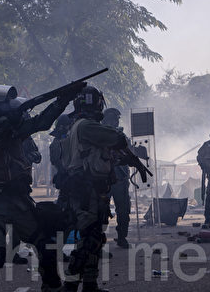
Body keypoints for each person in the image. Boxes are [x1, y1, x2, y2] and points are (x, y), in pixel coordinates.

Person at [0, 83, 82, 292]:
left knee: (45, 246)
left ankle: (52, 287)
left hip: (19, 199)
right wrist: (4, 128)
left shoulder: (13, 130)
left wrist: (62, 100)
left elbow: (43, 122)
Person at [63, 87, 150, 292]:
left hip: (94, 188)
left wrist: (129, 159)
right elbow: (116, 139)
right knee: (88, 240)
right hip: (87, 190)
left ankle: (90, 285)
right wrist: (126, 150)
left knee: (95, 239)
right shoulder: (86, 126)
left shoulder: (80, 127)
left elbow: (104, 153)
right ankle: (70, 284)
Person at [101, 108, 131, 249]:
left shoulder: (122, 136)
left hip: (120, 178)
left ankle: (122, 237)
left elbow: (129, 154)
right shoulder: (98, 136)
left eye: (117, 119)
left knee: (123, 210)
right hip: (104, 179)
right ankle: (99, 239)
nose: (116, 122)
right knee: (100, 210)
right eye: (114, 119)